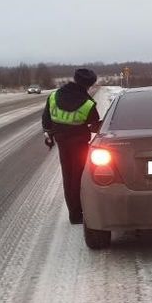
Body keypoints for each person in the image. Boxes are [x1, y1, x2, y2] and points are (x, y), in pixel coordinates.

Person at [42, 68, 101, 224]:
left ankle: (74, 215)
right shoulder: (88, 103)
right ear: (89, 85)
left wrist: (48, 135)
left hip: (62, 143)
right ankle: (82, 210)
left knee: (68, 177)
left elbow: (46, 120)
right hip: (80, 144)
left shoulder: (53, 96)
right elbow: (95, 125)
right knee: (80, 177)